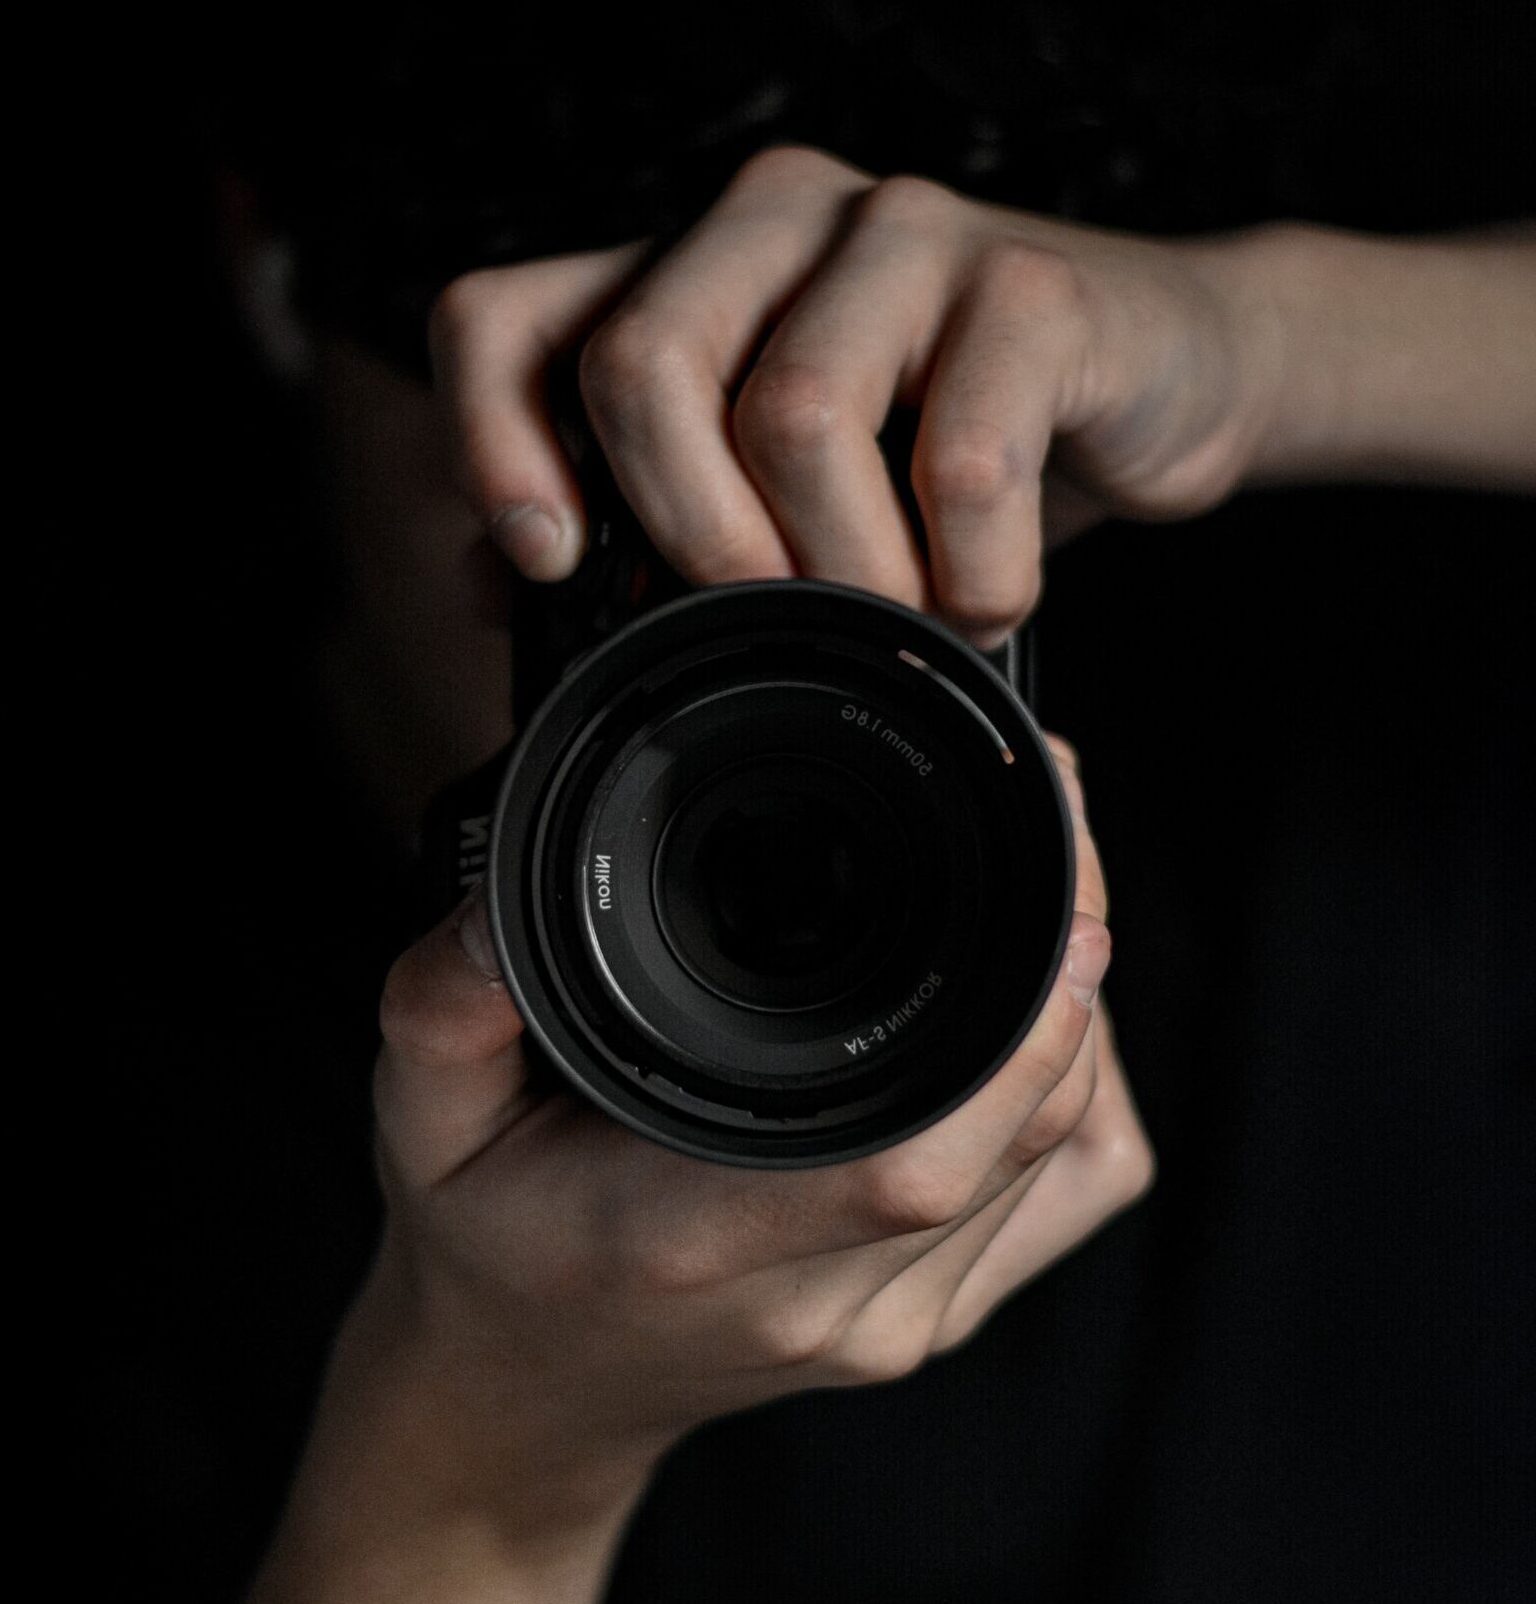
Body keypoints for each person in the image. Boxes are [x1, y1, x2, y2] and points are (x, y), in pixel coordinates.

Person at [95, 5, 1534, 1600]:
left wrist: (1277, 334)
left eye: (879, 386)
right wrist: (487, 1461)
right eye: (576, 379)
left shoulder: (1378, 731)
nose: (729, 477)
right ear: (265, 251)